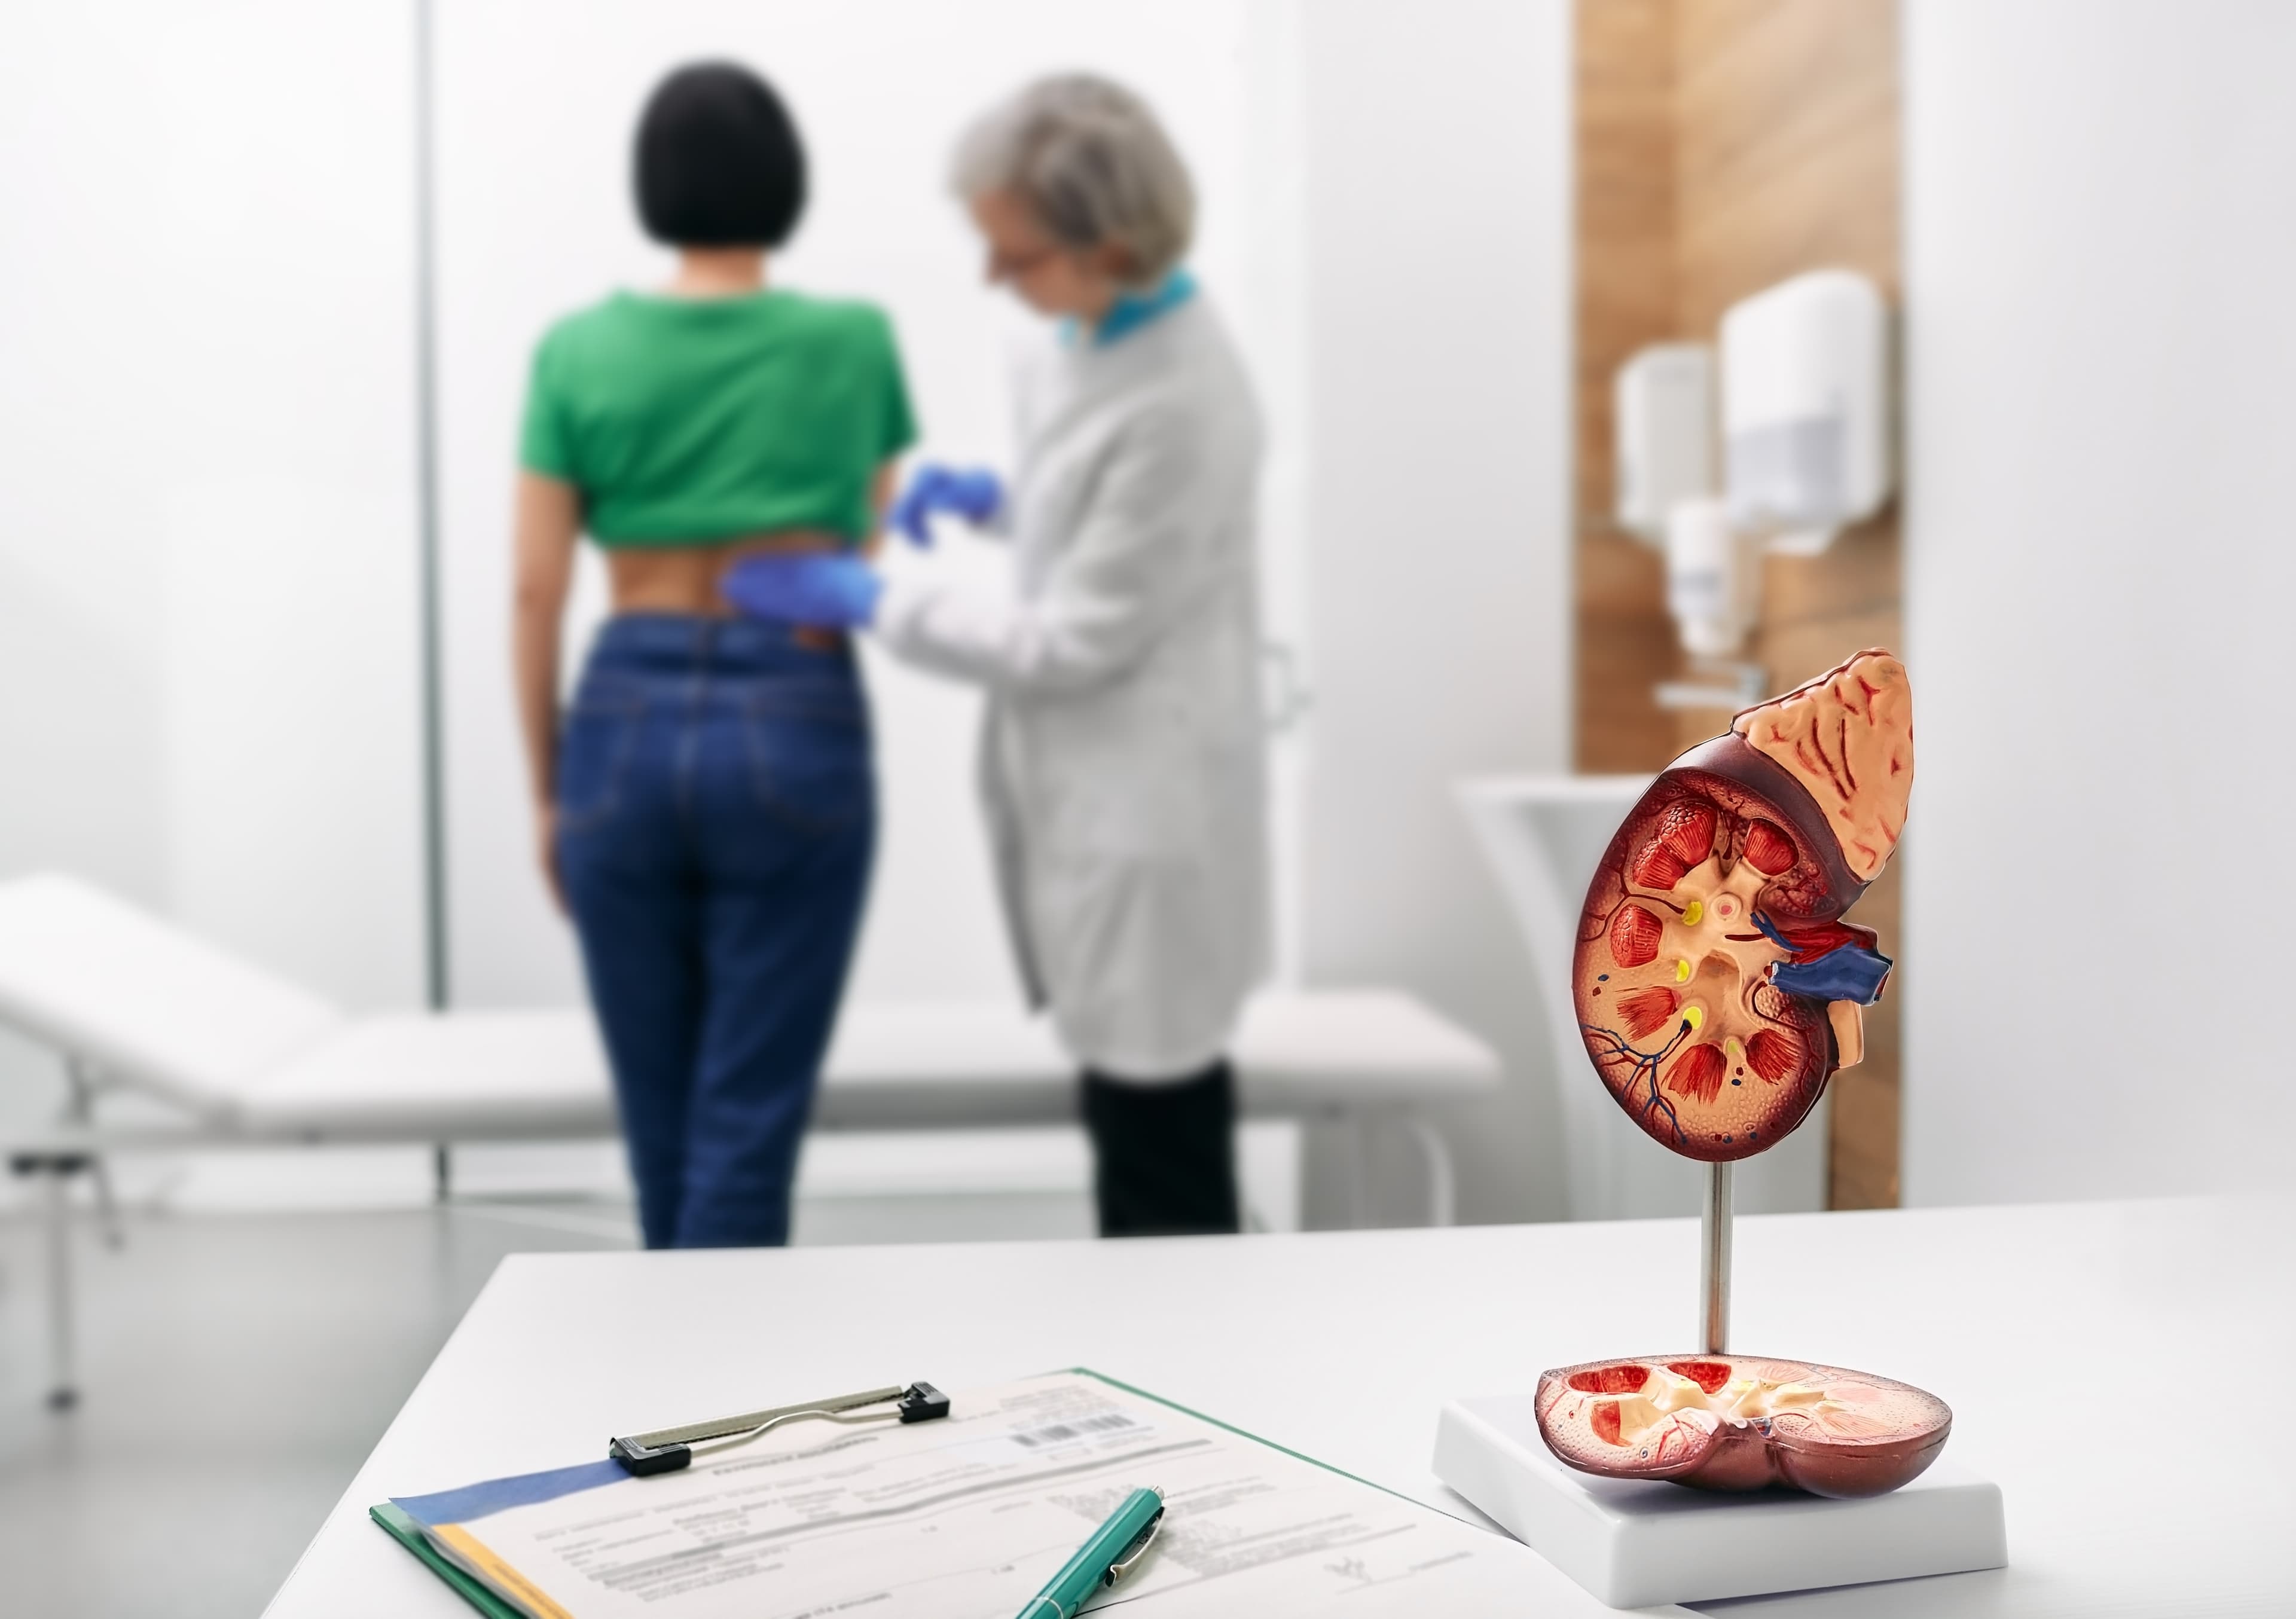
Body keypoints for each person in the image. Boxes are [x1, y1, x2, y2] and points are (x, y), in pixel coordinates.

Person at [725, 75, 1268, 1237]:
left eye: (1012, 255)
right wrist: (995, 501)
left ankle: (1196, 1380)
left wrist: (875, 597)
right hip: (1094, 795)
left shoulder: (1189, 398)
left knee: (1158, 1153)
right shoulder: (1087, 330)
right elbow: (1092, 507)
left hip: (1147, 820)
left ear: (1109, 240)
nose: (991, 279)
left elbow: (1076, 636)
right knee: (1128, 1118)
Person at [512, 62, 916, 1248]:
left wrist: (547, 788)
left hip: (621, 718)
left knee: (661, 1134)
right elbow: (884, 548)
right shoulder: (853, 341)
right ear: (785, 186)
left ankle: (666, 1413)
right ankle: (727, 1419)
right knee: (746, 1131)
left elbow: (537, 587)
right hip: (794, 715)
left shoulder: (576, 348)